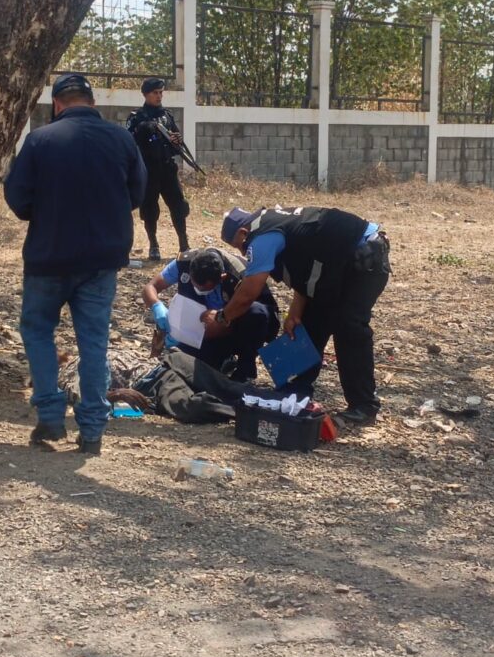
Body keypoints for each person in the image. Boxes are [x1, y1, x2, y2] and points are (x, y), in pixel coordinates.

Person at [3, 73, 146, 455]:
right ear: (92, 103)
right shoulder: (122, 139)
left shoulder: (40, 140)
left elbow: (18, 199)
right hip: (101, 261)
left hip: (49, 257)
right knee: (94, 343)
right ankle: (93, 429)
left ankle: (50, 418)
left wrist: (47, 212)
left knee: (37, 331)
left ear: (57, 105)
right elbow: (137, 193)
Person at [218, 205, 390, 427]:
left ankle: (363, 406)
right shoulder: (277, 222)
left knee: (349, 326)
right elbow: (309, 263)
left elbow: (248, 293)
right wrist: (295, 311)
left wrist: (223, 317)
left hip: (364, 258)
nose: (244, 253)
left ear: (243, 233)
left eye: (240, 247)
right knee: (308, 324)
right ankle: (293, 391)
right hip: (335, 264)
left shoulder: (260, 237)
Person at [142, 247, 280, 381]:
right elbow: (150, 287)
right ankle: (224, 360)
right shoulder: (185, 262)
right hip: (200, 332)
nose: (198, 291)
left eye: (205, 289)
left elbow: (260, 314)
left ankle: (245, 370)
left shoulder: (238, 276)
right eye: (195, 285)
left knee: (255, 313)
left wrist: (222, 319)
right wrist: (157, 307)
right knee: (187, 369)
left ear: (222, 278)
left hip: (239, 327)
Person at [126, 78, 189, 260]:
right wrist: (143, 128)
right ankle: (153, 245)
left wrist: (176, 140)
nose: (159, 96)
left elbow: (176, 140)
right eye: (155, 93)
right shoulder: (136, 117)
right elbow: (129, 140)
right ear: (146, 94)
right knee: (149, 209)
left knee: (178, 206)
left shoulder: (166, 116)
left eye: (161, 92)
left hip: (168, 169)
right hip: (148, 171)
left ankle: (184, 244)